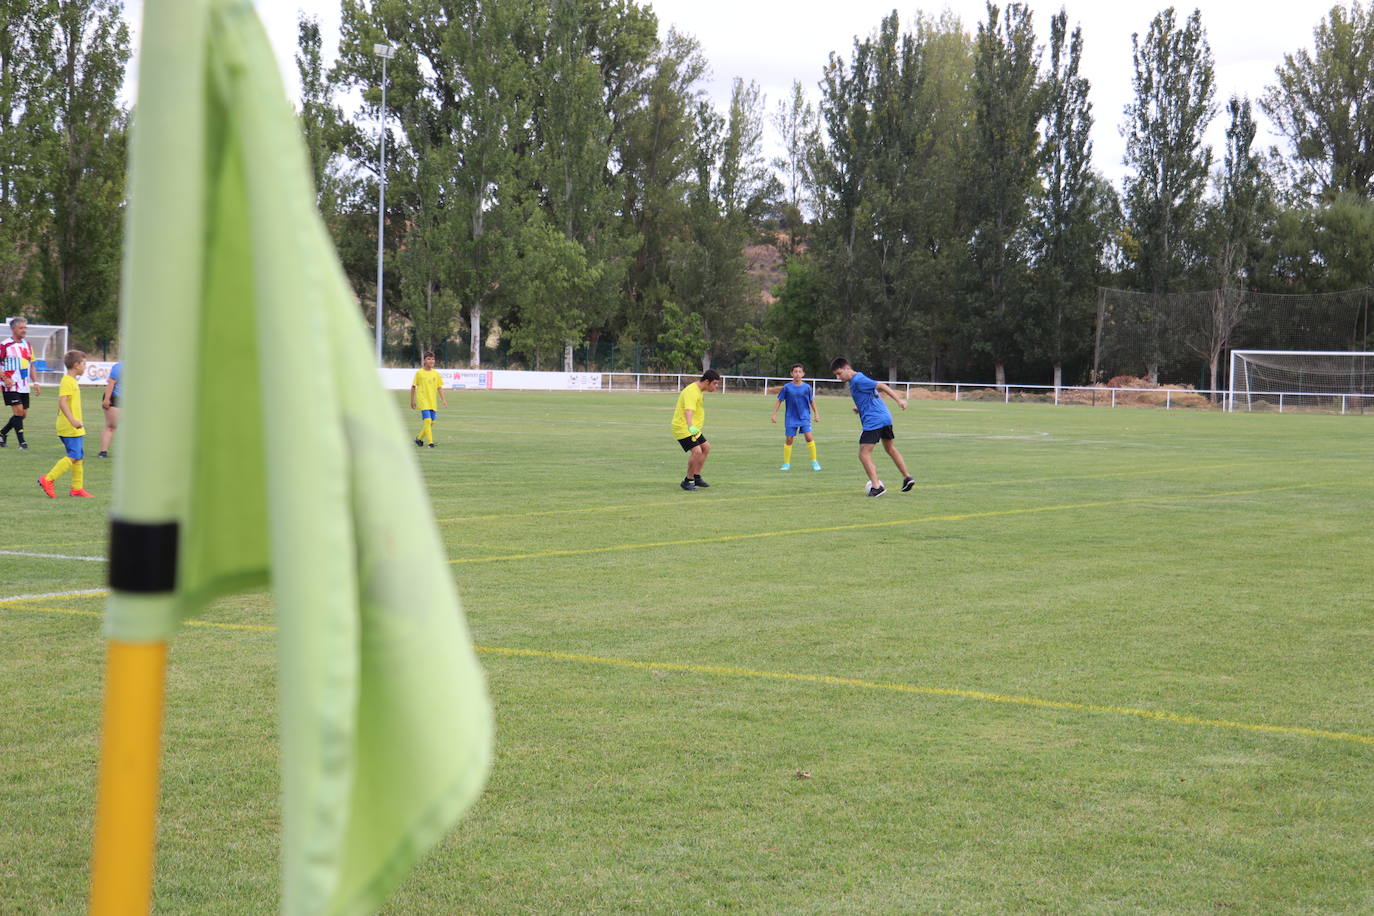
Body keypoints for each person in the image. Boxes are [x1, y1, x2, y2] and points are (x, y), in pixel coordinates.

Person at [830, 357, 915, 497]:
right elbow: (869, 396)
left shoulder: (858, 379)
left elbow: (881, 386)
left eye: (839, 373)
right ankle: (907, 477)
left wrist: (899, 401)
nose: (838, 377)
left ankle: (877, 487)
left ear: (847, 368)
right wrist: (859, 408)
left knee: (864, 453)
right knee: (890, 448)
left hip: (874, 419)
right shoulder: (855, 381)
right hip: (885, 417)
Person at [37, 349, 94, 498]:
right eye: (84, 364)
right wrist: (73, 420)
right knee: (74, 455)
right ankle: (48, 479)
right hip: (69, 426)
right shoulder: (67, 381)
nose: (85, 366)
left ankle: (77, 489)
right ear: (76, 365)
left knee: (79, 456)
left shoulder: (71, 381)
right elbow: (62, 403)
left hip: (74, 426)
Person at [670, 369, 721, 491]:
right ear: (707, 381)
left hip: (692, 428)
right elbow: (688, 410)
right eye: (715, 383)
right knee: (697, 451)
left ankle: (696, 476)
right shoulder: (692, 391)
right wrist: (690, 427)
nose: (716, 386)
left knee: (706, 447)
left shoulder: (699, 390)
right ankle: (687, 481)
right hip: (683, 428)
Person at [770, 363, 821, 470]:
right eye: (795, 372)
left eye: (799, 372)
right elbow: (779, 401)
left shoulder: (807, 387)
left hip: (804, 417)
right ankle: (786, 463)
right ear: (791, 373)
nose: (797, 374)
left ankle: (814, 462)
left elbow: (811, 401)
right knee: (789, 439)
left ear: (803, 374)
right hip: (790, 418)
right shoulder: (787, 387)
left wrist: (816, 413)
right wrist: (774, 414)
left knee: (809, 437)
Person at [0, 316, 40, 449]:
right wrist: (5, 378)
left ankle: (2, 433)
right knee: (18, 412)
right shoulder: (5, 345)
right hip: (10, 385)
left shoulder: (28, 345)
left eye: (25, 328)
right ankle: (22, 443)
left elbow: (32, 365)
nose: (24, 330)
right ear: (13, 329)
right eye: (21, 328)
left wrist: (35, 382)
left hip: (24, 385)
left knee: (23, 414)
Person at [410, 351, 447, 448]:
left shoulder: (436, 374)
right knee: (427, 421)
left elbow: (439, 387)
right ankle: (430, 443)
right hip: (422, 400)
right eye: (429, 359)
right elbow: (413, 387)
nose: (431, 361)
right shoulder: (419, 373)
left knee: (432, 422)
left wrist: (443, 400)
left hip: (432, 401)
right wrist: (412, 400)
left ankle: (419, 439)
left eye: (433, 359)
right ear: (424, 360)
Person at [98, 360, 122, 458]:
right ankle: (103, 452)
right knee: (111, 426)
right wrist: (107, 399)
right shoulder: (119, 367)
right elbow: (111, 383)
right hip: (115, 397)